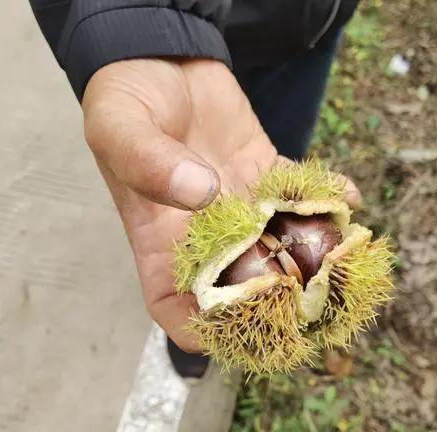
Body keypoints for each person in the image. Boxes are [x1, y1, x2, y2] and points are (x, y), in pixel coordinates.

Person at [29, 0, 364, 381]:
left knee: (274, 156)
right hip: (209, 21)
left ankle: (222, 322)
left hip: (315, 24)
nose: (284, 259)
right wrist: (136, 23)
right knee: (192, 190)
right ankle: (199, 306)